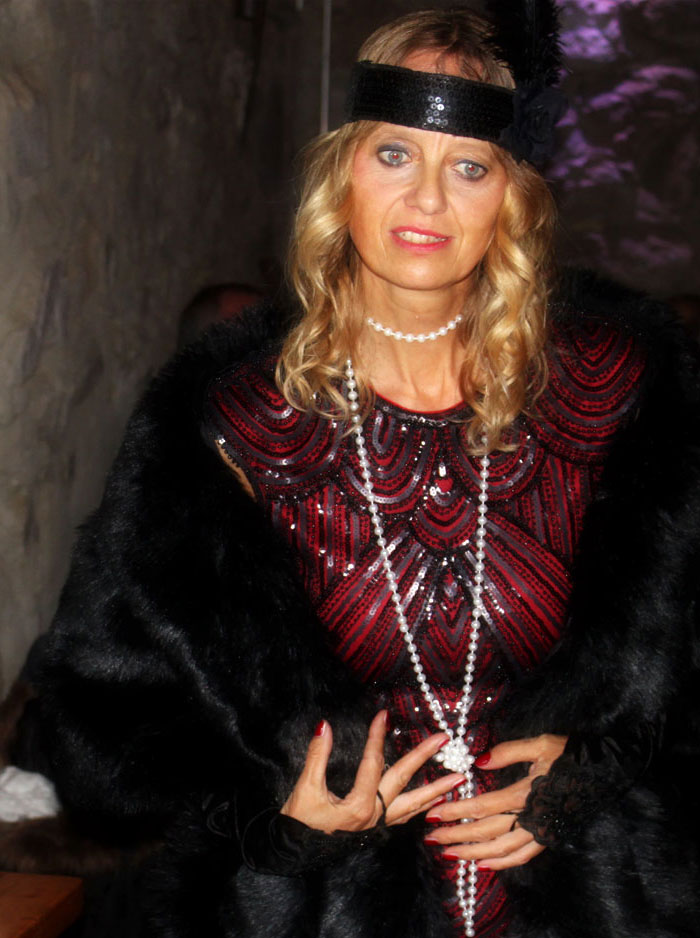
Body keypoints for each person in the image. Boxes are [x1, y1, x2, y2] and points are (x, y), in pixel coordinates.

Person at [27, 4, 700, 938]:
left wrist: (603, 765)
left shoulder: (617, 392)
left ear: (512, 196)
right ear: (342, 170)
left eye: (469, 167)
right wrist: (271, 819)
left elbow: (679, 657)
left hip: (594, 906)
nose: (427, 199)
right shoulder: (226, 423)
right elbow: (96, 712)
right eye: (394, 154)